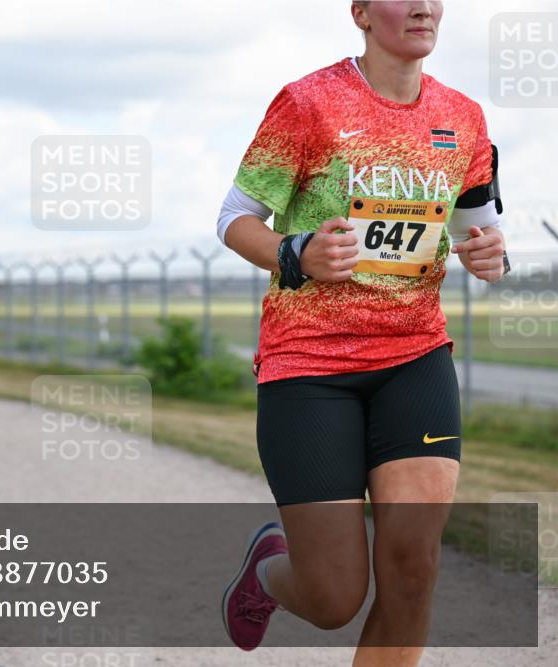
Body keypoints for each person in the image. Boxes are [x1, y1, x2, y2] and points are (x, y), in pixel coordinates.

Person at [216, 2, 508, 663]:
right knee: (333, 595)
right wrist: (297, 253)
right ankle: (268, 569)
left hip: (415, 357)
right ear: (362, 13)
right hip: (309, 365)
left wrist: (492, 255)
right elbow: (235, 219)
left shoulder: (463, 118)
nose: (424, 7)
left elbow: (476, 231)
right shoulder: (308, 101)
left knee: (413, 567)